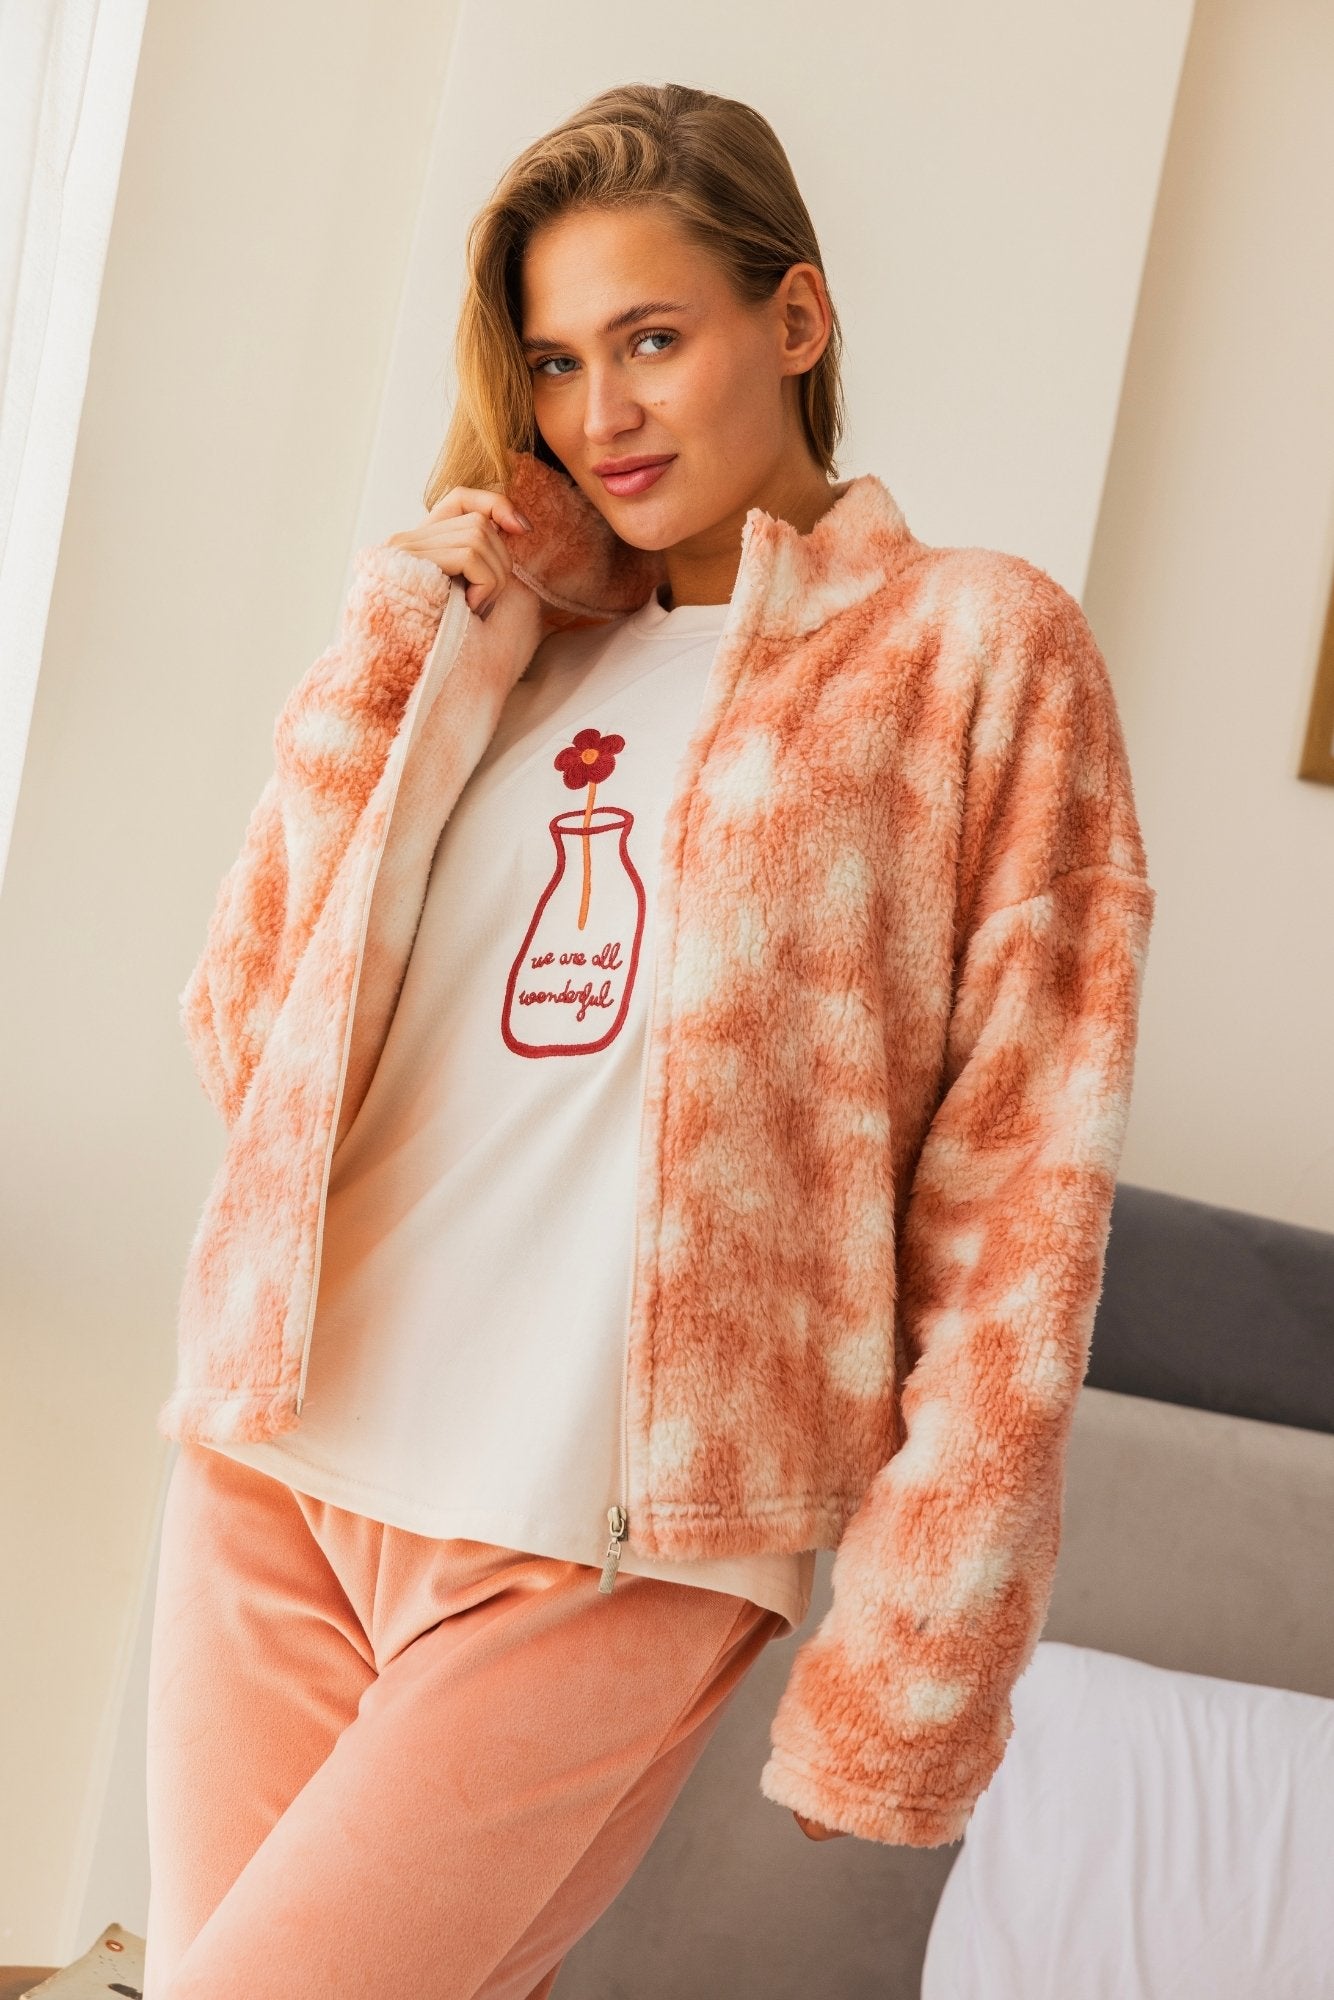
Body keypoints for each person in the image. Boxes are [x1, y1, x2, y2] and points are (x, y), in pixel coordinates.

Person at [144, 80, 1155, 2000]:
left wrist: (914, 1654)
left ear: (796, 318)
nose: (597, 411)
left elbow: (1023, 1202)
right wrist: (385, 652)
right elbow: (250, 1034)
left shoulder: (972, 651)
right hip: (283, 1464)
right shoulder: (505, 636)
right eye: (552, 361)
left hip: (604, 1545)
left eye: (651, 340)